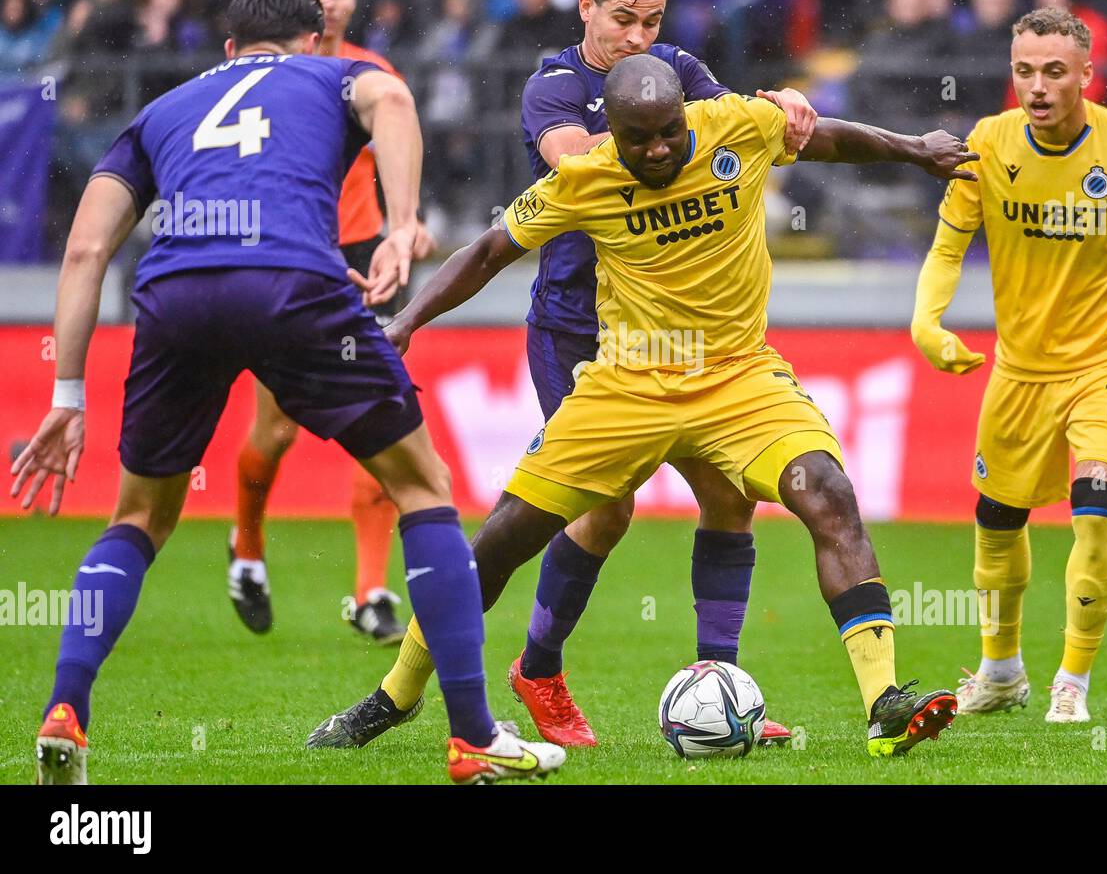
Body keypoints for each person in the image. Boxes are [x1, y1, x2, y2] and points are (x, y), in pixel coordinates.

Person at [333, 53, 978, 758]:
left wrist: (915, 150)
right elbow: (487, 252)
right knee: (501, 541)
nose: (661, 148)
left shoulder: (736, 124)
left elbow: (826, 138)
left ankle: (884, 706)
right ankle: (396, 694)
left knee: (827, 491)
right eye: (641, 138)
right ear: (610, 129)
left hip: (739, 376)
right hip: (627, 386)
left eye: (670, 131)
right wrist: (405, 323)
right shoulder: (584, 177)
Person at [15, 0, 562, 786]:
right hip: (294, 282)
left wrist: (65, 395)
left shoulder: (161, 111)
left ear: (229, 49)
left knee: (137, 517)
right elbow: (397, 103)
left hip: (175, 295)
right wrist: (405, 221)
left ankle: (66, 710)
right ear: (312, 40)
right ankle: (475, 732)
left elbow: (86, 251)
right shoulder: (331, 75)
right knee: (422, 487)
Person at [308, 0, 819, 751]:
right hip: (579, 331)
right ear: (587, 9)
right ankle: (532, 668)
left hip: (685, 333)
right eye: (622, 20)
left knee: (729, 496)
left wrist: (785, 106)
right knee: (601, 510)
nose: (636, 39)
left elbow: (731, 138)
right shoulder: (555, 84)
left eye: (650, 22)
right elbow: (574, 160)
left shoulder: (677, 69)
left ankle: (719, 686)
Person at [911, 7, 1107, 723]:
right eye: (1024, 70)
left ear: (1088, 74)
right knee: (997, 524)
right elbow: (946, 246)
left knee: (1095, 510)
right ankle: (1001, 673)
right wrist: (925, 321)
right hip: (1020, 373)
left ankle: (1073, 683)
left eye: (1054, 72)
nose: (1037, 86)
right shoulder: (988, 146)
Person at [226, 0, 433, 646]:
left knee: (383, 417)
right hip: (290, 254)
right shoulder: (269, 82)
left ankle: (371, 590)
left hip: (360, 253)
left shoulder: (376, 74)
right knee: (276, 430)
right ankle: (247, 547)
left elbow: (395, 149)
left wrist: (408, 224)